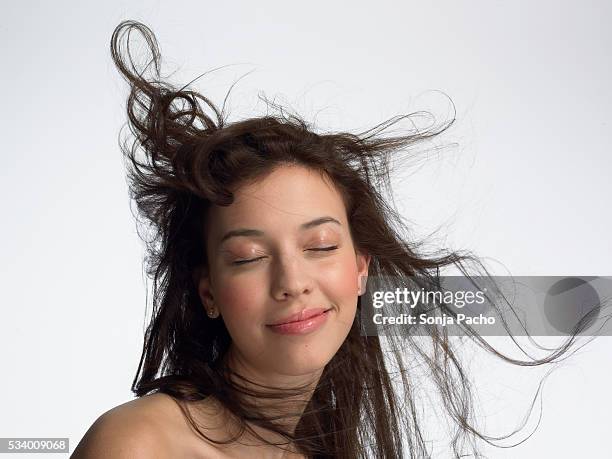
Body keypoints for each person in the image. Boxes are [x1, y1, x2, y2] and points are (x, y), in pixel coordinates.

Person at [72, 20, 591, 459]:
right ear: (207, 291)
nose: (293, 282)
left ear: (361, 268)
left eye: (320, 246)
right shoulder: (140, 443)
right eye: (249, 257)